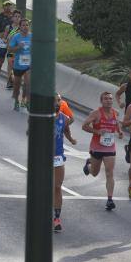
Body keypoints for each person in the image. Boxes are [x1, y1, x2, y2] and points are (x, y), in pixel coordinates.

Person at [82, 92, 123, 211]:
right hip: (97, 147)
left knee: (109, 173)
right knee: (94, 172)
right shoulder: (96, 113)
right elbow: (84, 126)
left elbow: (116, 125)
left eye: (110, 99)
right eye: (106, 99)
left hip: (110, 147)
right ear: (101, 101)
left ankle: (110, 199)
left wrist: (120, 132)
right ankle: (88, 166)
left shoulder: (116, 113)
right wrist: (98, 132)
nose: (109, 101)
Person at [53, 100, 77, 233]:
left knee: (57, 186)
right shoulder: (41, 117)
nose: (56, 103)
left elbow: (66, 130)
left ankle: (56, 218)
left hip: (57, 156)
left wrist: (71, 139)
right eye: (54, 100)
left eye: (58, 101)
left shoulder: (64, 118)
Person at [8, 18, 32, 112]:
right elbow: (10, 49)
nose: (25, 27)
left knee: (27, 83)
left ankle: (25, 100)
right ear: (20, 27)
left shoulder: (32, 36)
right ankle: (16, 101)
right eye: (23, 25)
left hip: (28, 65)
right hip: (18, 65)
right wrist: (18, 47)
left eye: (27, 25)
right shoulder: (16, 37)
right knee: (17, 85)